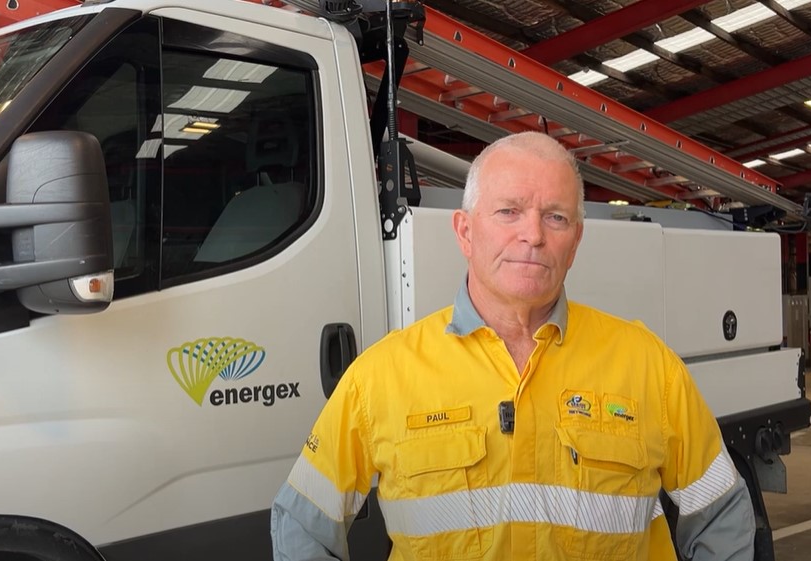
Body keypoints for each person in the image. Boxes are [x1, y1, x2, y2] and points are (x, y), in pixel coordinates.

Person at [270, 131, 755, 560]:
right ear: (465, 231)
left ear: (577, 240)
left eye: (556, 217)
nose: (533, 235)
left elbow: (721, 515)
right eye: (509, 212)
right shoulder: (380, 378)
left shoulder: (649, 367)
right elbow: (302, 524)